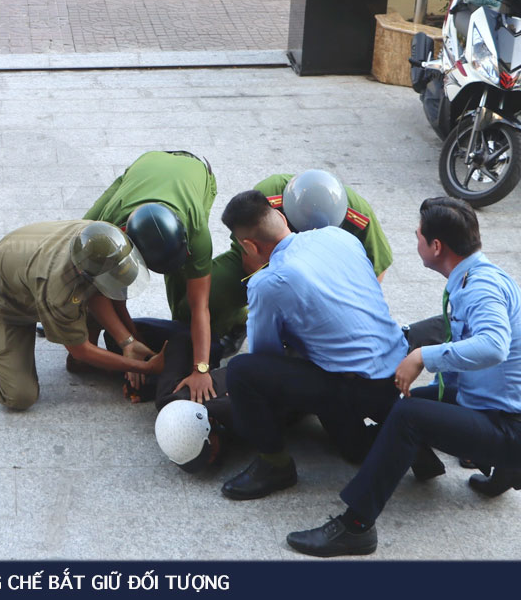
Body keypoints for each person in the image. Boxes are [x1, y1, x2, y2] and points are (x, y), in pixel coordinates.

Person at [287, 197, 521, 557]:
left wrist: (423, 355)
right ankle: (505, 469)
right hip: (491, 403)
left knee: (409, 418)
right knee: (407, 403)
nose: (415, 242)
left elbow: (494, 346)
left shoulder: (479, 287)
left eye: (418, 236)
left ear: (436, 246)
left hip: (508, 424)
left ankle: (356, 527)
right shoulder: (476, 273)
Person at [217, 190, 406, 501]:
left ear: (249, 246)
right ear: (280, 216)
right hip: (395, 370)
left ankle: (274, 464)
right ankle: (406, 434)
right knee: (353, 450)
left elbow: (265, 356)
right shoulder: (339, 236)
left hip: (350, 383)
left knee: (241, 372)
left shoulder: (266, 283)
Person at [0, 220, 166, 410]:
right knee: (20, 397)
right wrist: (143, 368)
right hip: (3, 304)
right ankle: (6, 353)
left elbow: (99, 290)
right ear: (82, 271)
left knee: (86, 302)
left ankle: (61, 330)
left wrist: (128, 342)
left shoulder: (107, 239)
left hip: (28, 275)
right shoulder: (59, 290)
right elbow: (81, 350)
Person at [84, 150, 219, 405]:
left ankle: (182, 337)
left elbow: (200, 306)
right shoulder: (111, 228)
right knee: (81, 251)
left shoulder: (196, 231)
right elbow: (104, 289)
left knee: (188, 290)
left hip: (196, 169)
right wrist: (130, 343)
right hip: (144, 167)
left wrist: (201, 368)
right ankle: (85, 327)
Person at [208, 170, 393, 347]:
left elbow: (375, 272)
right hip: (269, 265)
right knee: (216, 292)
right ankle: (239, 321)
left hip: (327, 278)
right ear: (283, 215)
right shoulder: (267, 197)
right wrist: (278, 298)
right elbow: (250, 260)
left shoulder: (359, 215)